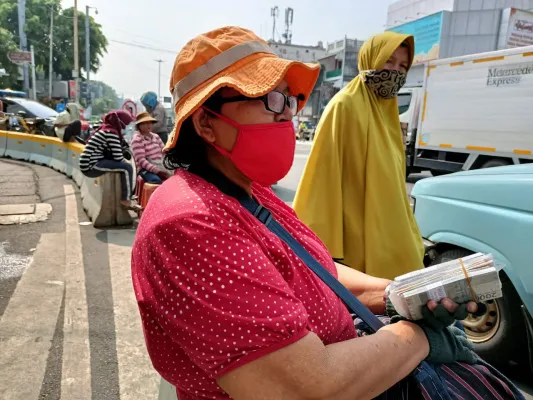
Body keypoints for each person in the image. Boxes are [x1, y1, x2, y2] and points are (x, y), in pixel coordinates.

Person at [131, 26, 522, 400]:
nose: (288, 116)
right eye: (271, 99)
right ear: (206, 123)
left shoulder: (250, 191)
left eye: (290, 100)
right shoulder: (191, 225)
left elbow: (316, 268)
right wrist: (417, 337)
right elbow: (306, 387)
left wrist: (397, 295)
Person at [293, 32, 424, 280]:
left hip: (392, 239)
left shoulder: (389, 113)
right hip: (356, 247)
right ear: (371, 59)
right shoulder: (344, 107)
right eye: (388, 61)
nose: (394, 71)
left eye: (402, 66)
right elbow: (322, 181)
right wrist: (327, 251)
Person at [79, 110, 142, 212]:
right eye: (125, 124)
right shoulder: (111, 133)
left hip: (89, 162)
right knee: (127, 168)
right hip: (91, 165)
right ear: (120, 122)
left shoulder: (106, 129)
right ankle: (126, 200)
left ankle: (127, 195)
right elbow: (118, 158)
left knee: (123, 167)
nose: (125, 127)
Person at [131, 111, 170, 184]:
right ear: (139, 125)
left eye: (150, 122)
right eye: (145, 123)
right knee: (156, 181)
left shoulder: (156, 136)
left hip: (160, 165)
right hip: (145, 169)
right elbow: (141, 161)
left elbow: (164, 151)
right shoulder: (137, 139)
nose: (149, 125)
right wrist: (157, 171)